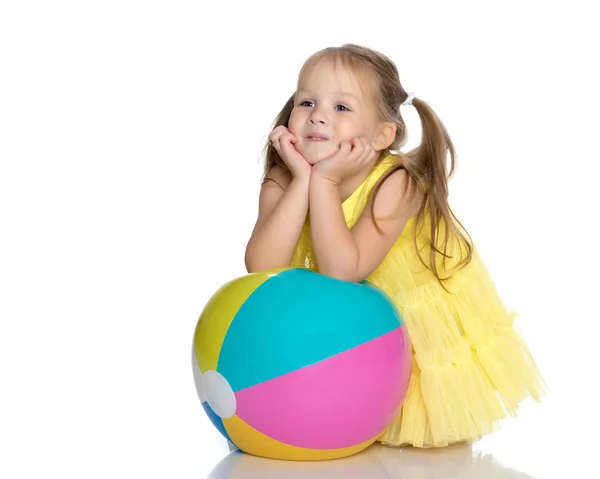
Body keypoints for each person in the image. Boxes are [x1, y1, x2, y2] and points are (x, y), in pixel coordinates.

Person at [244, 44, 545, 448]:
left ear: (383, 135)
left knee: (397, 435)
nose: (318, 115)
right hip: (350, 325)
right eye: (307, 102)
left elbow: (343, 271)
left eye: (341, 108)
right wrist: (303, 180)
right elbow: (262, 266)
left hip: (410, 324)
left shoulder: (397, 183)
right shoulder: (285, 179)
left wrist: (327, 182)